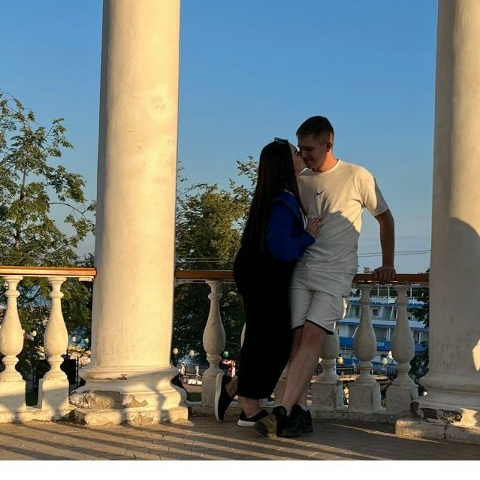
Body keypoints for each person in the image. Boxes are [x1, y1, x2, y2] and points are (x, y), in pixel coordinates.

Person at [254, 115, 396, 438]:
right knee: (297, 342)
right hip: (302, 270)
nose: (303, 155)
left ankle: (282, 410)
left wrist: (388, 262)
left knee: (313, 337)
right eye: (300, 149)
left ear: (328, 144)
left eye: (309, 149)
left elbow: (385, 219)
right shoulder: (300, 180)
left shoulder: (358, 176)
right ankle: (298, 412)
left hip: (335, 272)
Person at [214, 138, 322, 427]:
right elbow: (281, 246)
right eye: (295, 153)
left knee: (266, 337)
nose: (301, 155)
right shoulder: (283, 199)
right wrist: (308, 237)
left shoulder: (273, 194)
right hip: (264, 275)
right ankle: (248, 404)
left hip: (258, 272)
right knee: (269, 339)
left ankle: (237, 389)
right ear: (284, 163)